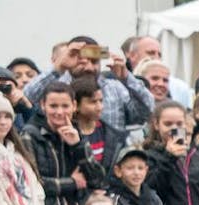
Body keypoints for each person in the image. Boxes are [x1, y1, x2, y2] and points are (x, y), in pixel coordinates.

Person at [23, 35, 153, 135]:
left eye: (94, 61)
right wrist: (58, 68)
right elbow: (26, 98)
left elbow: (147, 111)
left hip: (110, 161)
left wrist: (127, 77)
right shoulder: (56, 87)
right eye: (81, 62)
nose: (89, 67)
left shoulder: (115, 88)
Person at [68, 76, 126, 170]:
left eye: (101, 101)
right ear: (76, 105)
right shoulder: (66, 135)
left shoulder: (113, 135)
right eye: (93, 102)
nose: (99, 107)